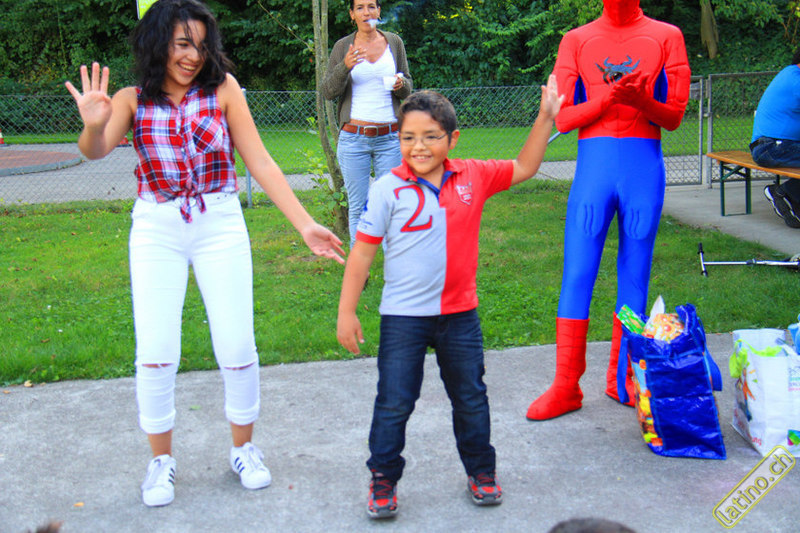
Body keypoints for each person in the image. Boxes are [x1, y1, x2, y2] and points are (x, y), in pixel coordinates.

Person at [64, 0, 345, 507]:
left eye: (200, 44)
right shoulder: (131, 99)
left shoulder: (224, 90)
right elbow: (95, 149)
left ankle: (244, 449)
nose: (193, 56)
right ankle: (160, 462)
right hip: (156, 228)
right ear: (157, 43)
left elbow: (260, 162)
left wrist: (304, 224)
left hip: (219, 221)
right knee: (156, 351)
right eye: (181, 44)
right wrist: (92, 124)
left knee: (236, 345)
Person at [337, 83, 563, 518]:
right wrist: (347, 312)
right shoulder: (387, 188)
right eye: (408, 137)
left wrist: (545, 117)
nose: (418, 146)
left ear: (452, 139)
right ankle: (383, 477)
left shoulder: (473, 176)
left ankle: (481, 471)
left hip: (459, 316)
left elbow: (524, 166)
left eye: (430, 136)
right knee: (394, 402)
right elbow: (362, 254)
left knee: (471, 399)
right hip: (403, 318)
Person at [525, 0, 690, 420]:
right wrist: (614, 97)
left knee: (635, 274)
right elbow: (563, 118)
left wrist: (641, 100)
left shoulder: (667, 36)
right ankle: (566, 385)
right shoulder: (576, 40)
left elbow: (673, 116)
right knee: (578, 273)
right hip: (595, 173)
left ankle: (626, 378)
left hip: (641, 171)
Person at [321, 0, 412, 248]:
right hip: (353, 139)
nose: (366, 12)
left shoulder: (394, 42)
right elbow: (328, 91)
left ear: (379, 11)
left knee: (390, 205)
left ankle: (394, 265)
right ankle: (358, 266)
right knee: (358, 207)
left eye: (371, 6)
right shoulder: (343, 47)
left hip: (390, 138)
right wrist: (345, 67)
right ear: (352, 14)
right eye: (360, 7)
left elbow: (408, 86)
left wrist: (401, 84)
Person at [750, 48, 800, 229]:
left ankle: (792, 202)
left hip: (772, 146)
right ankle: (783, 192)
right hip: (771, 147)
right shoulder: (795, 79)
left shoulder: (790, 74)